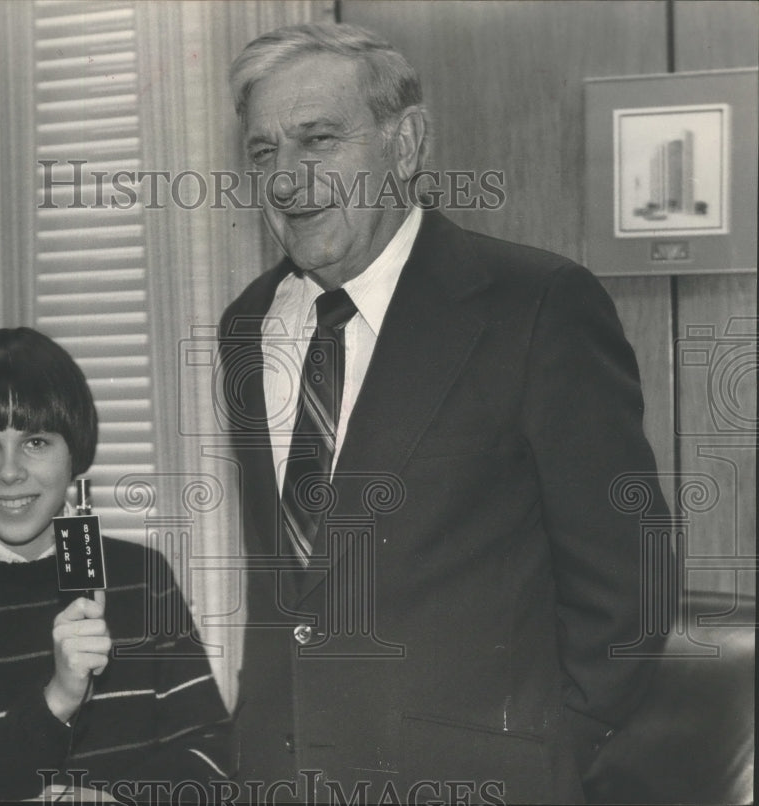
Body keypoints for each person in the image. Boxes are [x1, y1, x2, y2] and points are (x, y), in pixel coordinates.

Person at [218, 23, 667, 804]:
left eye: (317, 140)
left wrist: (535, 750)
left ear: (407, 142)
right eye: (264, 153)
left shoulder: (534, 306)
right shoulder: (245, 327)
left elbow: (629, 584)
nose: (287, 179)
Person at [0, 327, 230, 801]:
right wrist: (60, 696)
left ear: (75, 453)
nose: (8, 470)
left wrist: (118, 801)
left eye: (36, 442)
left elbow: (213, 757)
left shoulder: (141, 577)